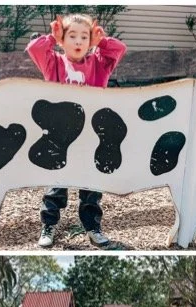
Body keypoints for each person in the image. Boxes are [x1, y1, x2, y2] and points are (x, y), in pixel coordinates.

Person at [26, 14, 128, 248]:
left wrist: (100, 42)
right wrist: (52, 38)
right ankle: (49, 225)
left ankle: (92, 227)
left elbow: (118, 49)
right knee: (56, 185)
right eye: (72, 36)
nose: (78, 41)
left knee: (91, 187)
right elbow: (34, 48)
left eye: (84, 36)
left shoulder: (99, 65)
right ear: (63, 39)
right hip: (59, 136)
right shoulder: (55, 63)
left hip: (88, 138)